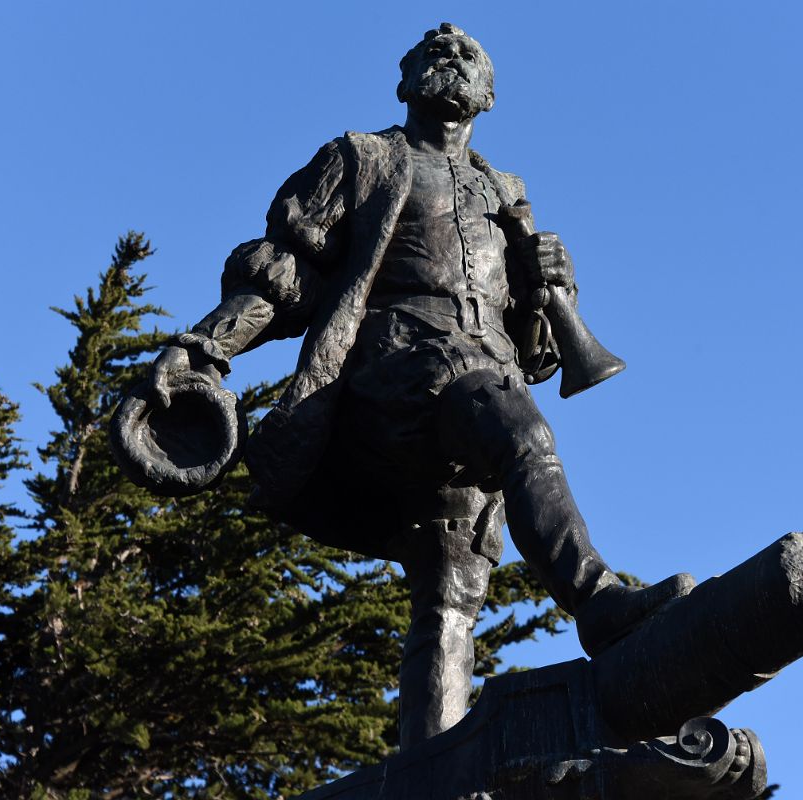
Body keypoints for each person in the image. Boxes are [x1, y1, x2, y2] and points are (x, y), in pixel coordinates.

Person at [148, 23, 693, 748]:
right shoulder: (364, 158)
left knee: (451, 594)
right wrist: (205, 349)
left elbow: (535, 358)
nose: (451, 55)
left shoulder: (505, 193)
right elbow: (287, 274)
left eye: (469, 55)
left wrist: (550, 290)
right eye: (434, 53)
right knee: (526, 433)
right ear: (404, 83)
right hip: (402, 363)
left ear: (488, 95)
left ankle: (428, 760)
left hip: (487, 374)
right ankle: (597, 599)